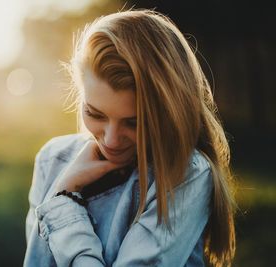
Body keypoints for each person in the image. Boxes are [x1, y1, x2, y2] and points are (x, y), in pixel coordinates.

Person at [23, 9, 236, 267]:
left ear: (170, 112)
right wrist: (64, 185)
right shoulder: (52, 159)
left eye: (134, 122)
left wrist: (62, 202)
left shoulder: (185, 173)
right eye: (95, 113)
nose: (111, 140)